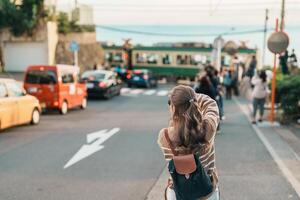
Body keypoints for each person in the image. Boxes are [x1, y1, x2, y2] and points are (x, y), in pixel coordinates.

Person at [157, 85, 220, 200]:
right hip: (207, 192)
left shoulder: (164, 136)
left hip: (178, 193)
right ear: (194, 103)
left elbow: (177, 128)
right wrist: (192, 97)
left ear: (173, 108)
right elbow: (211, 104)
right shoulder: (207, 129)